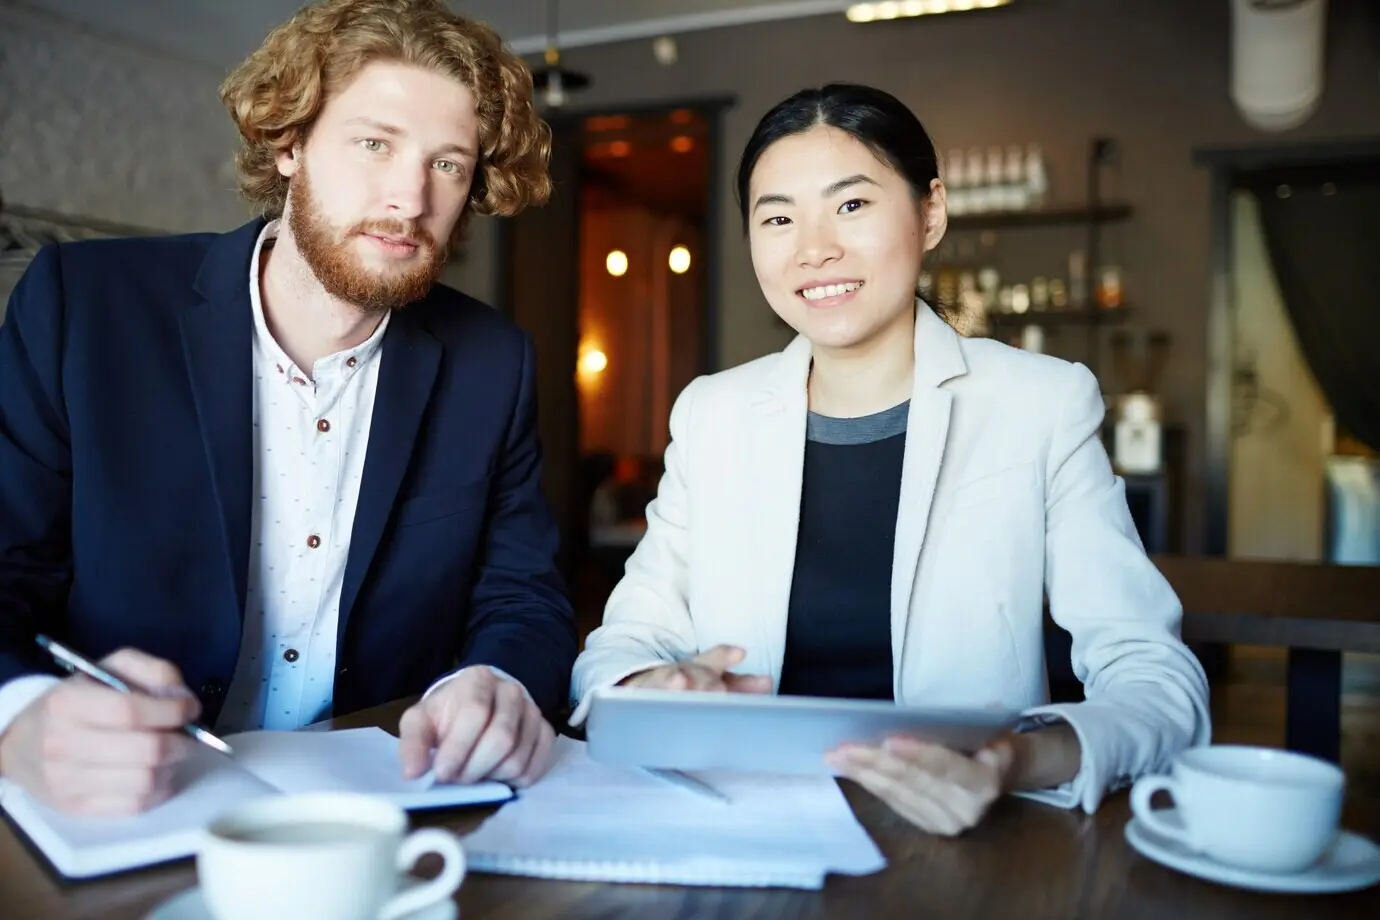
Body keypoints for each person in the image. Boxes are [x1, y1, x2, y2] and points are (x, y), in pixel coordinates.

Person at [569, 83, 1211, 835]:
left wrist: (1013, 759)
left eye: (851, 205)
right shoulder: (713, 415)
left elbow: (1156, 681)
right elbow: (620, 648)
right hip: (740, 824)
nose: (814, 248)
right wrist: (652, 685)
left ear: (930, 213)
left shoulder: (1039, 405)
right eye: (778, 218)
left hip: (958, 841)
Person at [0, 0, 577, 817]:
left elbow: (522, 597)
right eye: (374, 144)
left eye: (448, 164)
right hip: (118, 804)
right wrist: (18, 716)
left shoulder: (494, 362)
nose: (409, 197)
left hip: (374, 812)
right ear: (290, 144)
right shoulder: (83, 307)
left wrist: (499, 683)